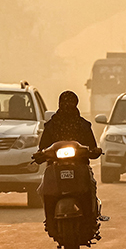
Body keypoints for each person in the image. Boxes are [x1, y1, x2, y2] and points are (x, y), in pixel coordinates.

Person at [37, 91, 101, 236]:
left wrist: (94, 151)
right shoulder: (51, 125)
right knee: (43, 190)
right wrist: (40, 154)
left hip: (79, 165)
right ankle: (49, 220)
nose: (67, 106)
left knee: (90, 187)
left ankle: (92, 218)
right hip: (55, 166)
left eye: (70, 103)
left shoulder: (83, 125)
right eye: (65, 103)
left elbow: (92, 146)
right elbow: (42, 147)